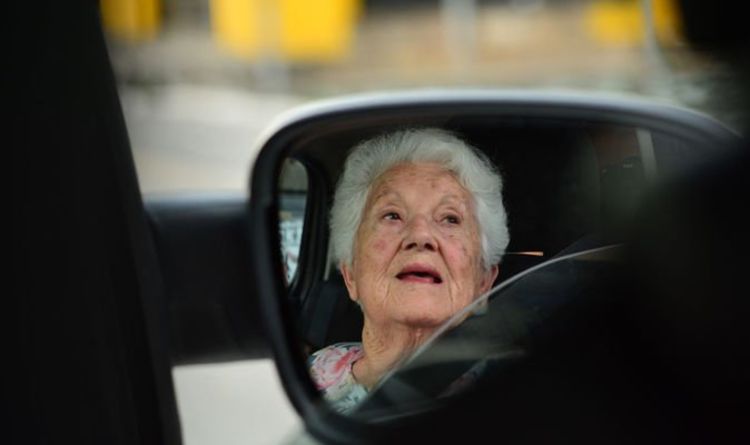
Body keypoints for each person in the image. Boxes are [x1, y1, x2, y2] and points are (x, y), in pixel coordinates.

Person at [308, 128, 509, 413]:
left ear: (484, 282)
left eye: (450, 219)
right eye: (392, 215)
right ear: (350, 274)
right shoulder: (315, 374)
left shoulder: (517, 392)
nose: (421, 235)